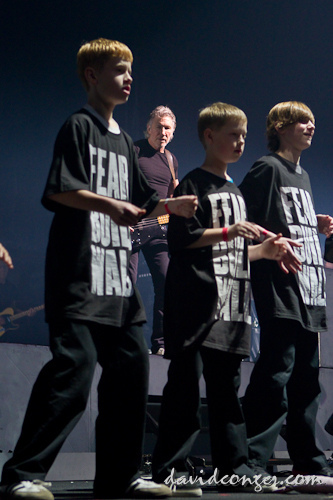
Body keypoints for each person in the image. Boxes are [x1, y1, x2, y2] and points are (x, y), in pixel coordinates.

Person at [0, 38, 198, 500]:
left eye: (131, 70)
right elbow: (62, 191)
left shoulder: (125, 144)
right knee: (74, 370)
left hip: (119, 280)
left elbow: (145, 205)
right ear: (92, 75)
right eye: (118, 70)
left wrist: (174, 204)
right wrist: (112, 205)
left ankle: (121, 475)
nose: (129, 78)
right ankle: (21, 474)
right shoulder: (79, 127)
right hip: (79, 273)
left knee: (131, 373)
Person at [151, 102, 290, 495]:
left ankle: (235, 467)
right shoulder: (192, 184)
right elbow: (181, 240)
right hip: (195, 306)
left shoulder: (235, 191)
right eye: (232, 134)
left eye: (244, 135)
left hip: (231, 307)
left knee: (227, 392)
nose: (240, 141)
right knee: (183, 388)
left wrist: (265, 252)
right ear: (209, 136)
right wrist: (230, 233)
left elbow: (233, 252)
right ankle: (170, 469)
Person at [239, 101, 333, 477]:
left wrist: (314, 224)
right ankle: (251, 458)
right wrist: (268, 246)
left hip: (309, 289)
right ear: (280, 126)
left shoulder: (302, 175)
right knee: (276, 372)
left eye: (312, 121)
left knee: (306, 379)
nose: (311, 126)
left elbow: (289, 220)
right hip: (281, 287)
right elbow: (244, 219)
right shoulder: (267, 168)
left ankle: (307, 458)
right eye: (302, 121)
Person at [130, 106, 179, 355]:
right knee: (127, 285)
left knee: (167, 284)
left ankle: (160, 343)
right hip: (132, 227)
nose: (162, 131)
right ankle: (126, 341)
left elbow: (171, 197)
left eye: (167, 128)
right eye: (159, 126)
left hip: (159, 230)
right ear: (149, 128)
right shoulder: (134, 150)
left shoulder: (171, 161)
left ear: (172, 133)